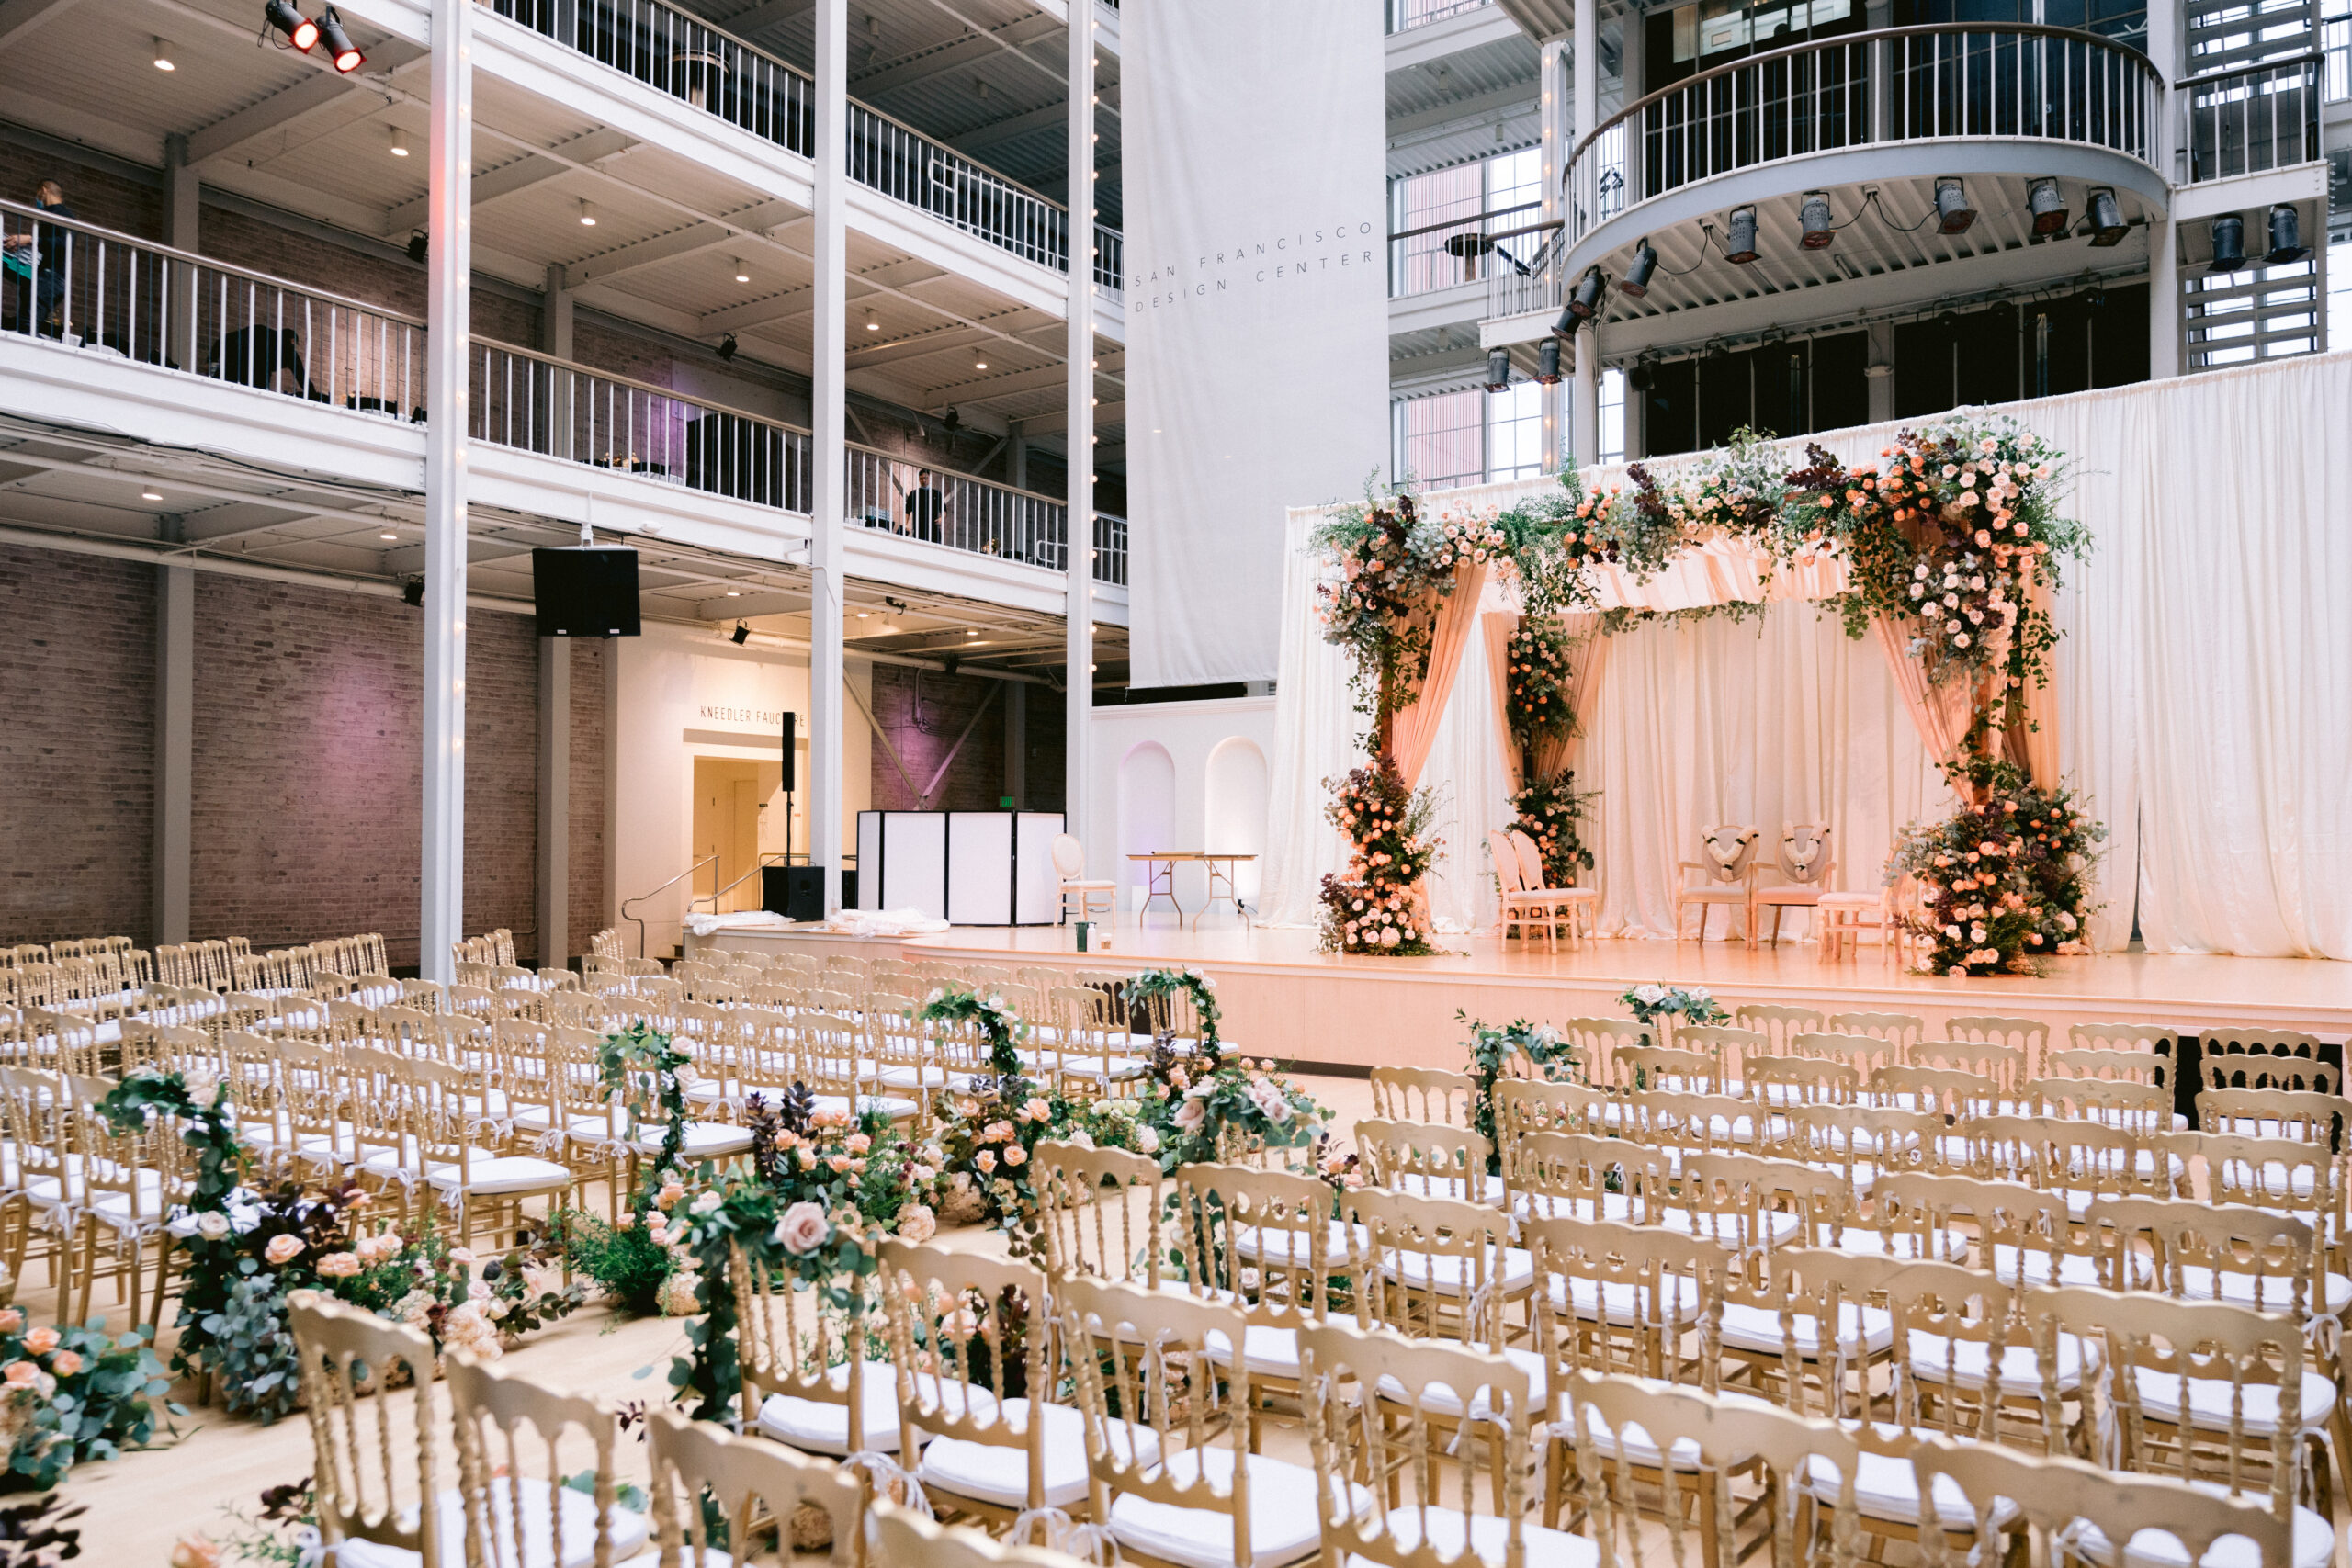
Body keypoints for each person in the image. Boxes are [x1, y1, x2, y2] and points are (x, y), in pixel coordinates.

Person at [4, 179, 74, 337]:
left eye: (37, 195)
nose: (37, 199)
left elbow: (64, 243)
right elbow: (48, 246)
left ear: (44, 190)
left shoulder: (63, 214)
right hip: (46, 278)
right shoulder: (51, 215)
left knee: (28, 326)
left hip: (50, 278)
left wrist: (30, 239)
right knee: (27, 324)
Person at [904, 468, 945, 542]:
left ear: (929, 478)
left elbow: (944, 509)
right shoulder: (914, 494)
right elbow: (907, 510)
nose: (924, 481)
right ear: (919, 479)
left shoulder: (936, 493)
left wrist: (941, 519)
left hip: (934, 529)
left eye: (926, 478)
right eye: (921, 479)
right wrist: (905, 524)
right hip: (919, 529)